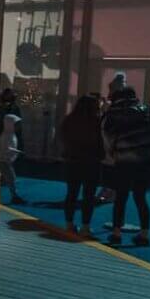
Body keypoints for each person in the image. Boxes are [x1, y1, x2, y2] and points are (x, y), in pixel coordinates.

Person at [100, 86, 150, 246]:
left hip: (123, 162)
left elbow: (108, 138)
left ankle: (116, 233)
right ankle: (144, 234)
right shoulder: (147, 112)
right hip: (144, 161)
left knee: (121, 197)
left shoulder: (112, 114)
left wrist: (116, 151)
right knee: (141, 197)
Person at [59, 94, 105, 236]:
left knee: (71, 193)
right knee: (89, 196)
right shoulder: (97, 121)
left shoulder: (69, 120)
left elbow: (62, 137)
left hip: (72, 161)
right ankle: (85, 226)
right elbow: (101, 142)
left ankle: (69, 224)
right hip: (91, 162)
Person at [0, 110, 25, 204]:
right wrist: (19, 152)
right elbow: (7, 148)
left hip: (6, 160)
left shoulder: (11, 135)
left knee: (8, 179)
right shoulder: (6, 136)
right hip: (3, 160)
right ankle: (14, 196)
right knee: (11, 178)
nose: (18, 126)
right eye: (16, 124)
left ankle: (13, 196)